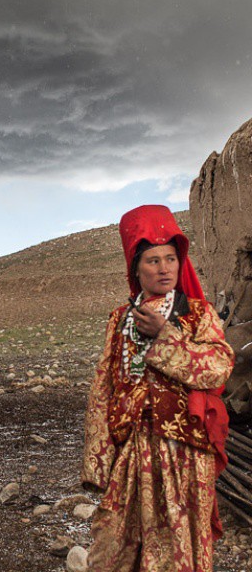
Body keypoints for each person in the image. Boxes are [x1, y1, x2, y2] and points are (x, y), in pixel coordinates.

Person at [82, 205, 234, 572]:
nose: (164, 268)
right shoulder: (120, 319)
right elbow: (105, 384)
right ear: (136, 268)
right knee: (111, 545)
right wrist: (98, 459)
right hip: (132, 450)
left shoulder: (198, 314)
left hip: (182, 453)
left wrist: (165, 337)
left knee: (173, 548)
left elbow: (218, 368)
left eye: (170, 258)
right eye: (152, 260)